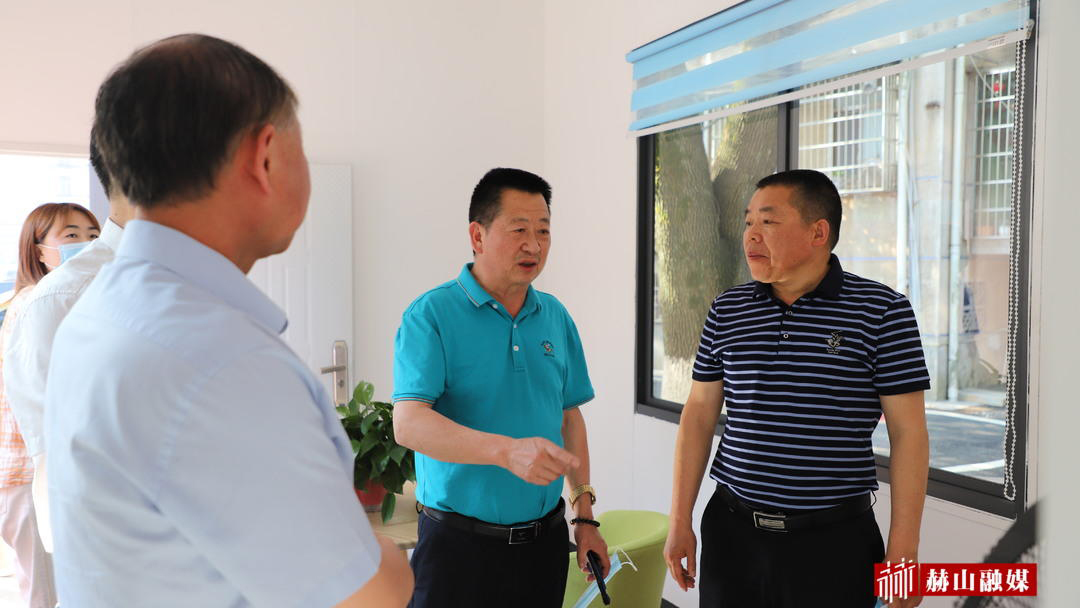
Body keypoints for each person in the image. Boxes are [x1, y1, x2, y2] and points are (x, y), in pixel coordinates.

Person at [43, 34, 412, 607]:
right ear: (264, 157)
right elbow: (364, 597)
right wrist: (388, 559)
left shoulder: (99, 310)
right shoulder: (223, 361)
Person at [663, 169, 930, 608]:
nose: (751, 235)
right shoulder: (727, 310)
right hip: (732, 535)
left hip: (833, 544)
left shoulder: (883, 312)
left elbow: (909, 434)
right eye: (749, 221)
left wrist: (904, 549)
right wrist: (679, 519)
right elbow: (698, 414)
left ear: (818, 232)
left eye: (768, 221)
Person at [392, 167, 607, 608]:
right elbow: (408, 424)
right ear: (478, 235)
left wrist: (585, 517)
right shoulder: (431, 315)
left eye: (543, 230)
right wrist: (506, 452)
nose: (535, 245)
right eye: (519, 229)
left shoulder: (555, 316)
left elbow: (568, 417)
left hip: (544, 546)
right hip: (457, 550)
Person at [2, 137, 134, 557]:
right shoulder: (52, 300)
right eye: (70, 234)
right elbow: (52, 441)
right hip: (39, 484)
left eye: (89, 233)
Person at [1, 201, 100, 608]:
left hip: (31, 468)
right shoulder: (34, 303)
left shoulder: (51, 301)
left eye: (94, 236)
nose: (87, 245)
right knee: (45, 592)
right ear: (38, 250)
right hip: (27, 468)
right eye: (71, 236)